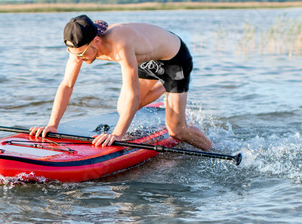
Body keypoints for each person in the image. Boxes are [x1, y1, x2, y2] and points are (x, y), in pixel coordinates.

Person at [29, 15, 213, 150]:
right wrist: (53, 124)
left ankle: (213, 147)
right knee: (123, 108)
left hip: (174, 58)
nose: (79, 59)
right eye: (74, 54)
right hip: (145, 58)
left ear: (97, 41)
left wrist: (118, 134)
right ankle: (167, 88)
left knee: (176, 130)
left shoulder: (120, 45)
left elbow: (133, 92)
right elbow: (67, 85)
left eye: (82, 54)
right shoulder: (79, 49)